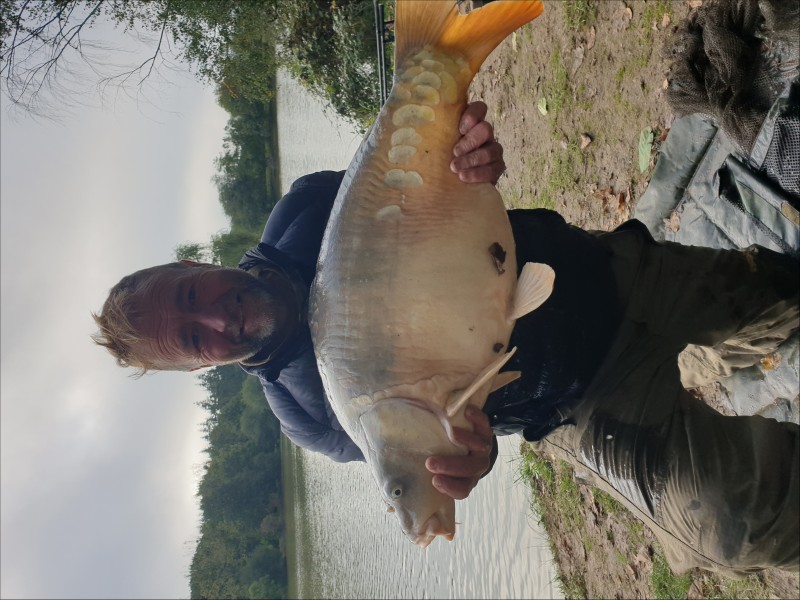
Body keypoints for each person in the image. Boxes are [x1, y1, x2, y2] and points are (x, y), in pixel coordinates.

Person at [93, 100, 799, 575]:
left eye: (193, 297)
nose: (218, 320)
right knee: (732, 527)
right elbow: (439, 454)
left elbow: (441, 180)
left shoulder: (305, 211)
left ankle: (738, 341)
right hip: (582, 401)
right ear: (201, 368)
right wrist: (474, 458)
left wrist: (470, 160)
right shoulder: (308, 412)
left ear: (196, 266)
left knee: (778, 295)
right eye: (195, 339)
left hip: (598, 275)